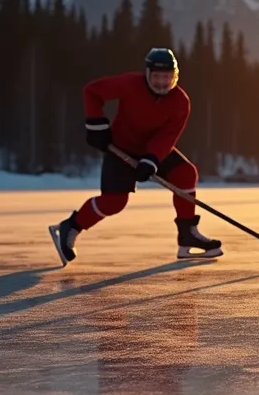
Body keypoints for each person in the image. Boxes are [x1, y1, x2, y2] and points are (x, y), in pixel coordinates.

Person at [49, 48, 222, 265]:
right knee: (114, 202)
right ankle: (71, 226)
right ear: (148, 74)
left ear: (175, 77)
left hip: (152, 150)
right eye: (157, 77)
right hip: (120, 148)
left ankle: (187, 234)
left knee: (185, 173)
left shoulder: (180, 101)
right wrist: (96, 125)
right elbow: (92, 92)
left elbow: (167, 137)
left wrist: (151, 159)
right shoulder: (130, 84)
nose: (162, 83)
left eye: (167, 77)